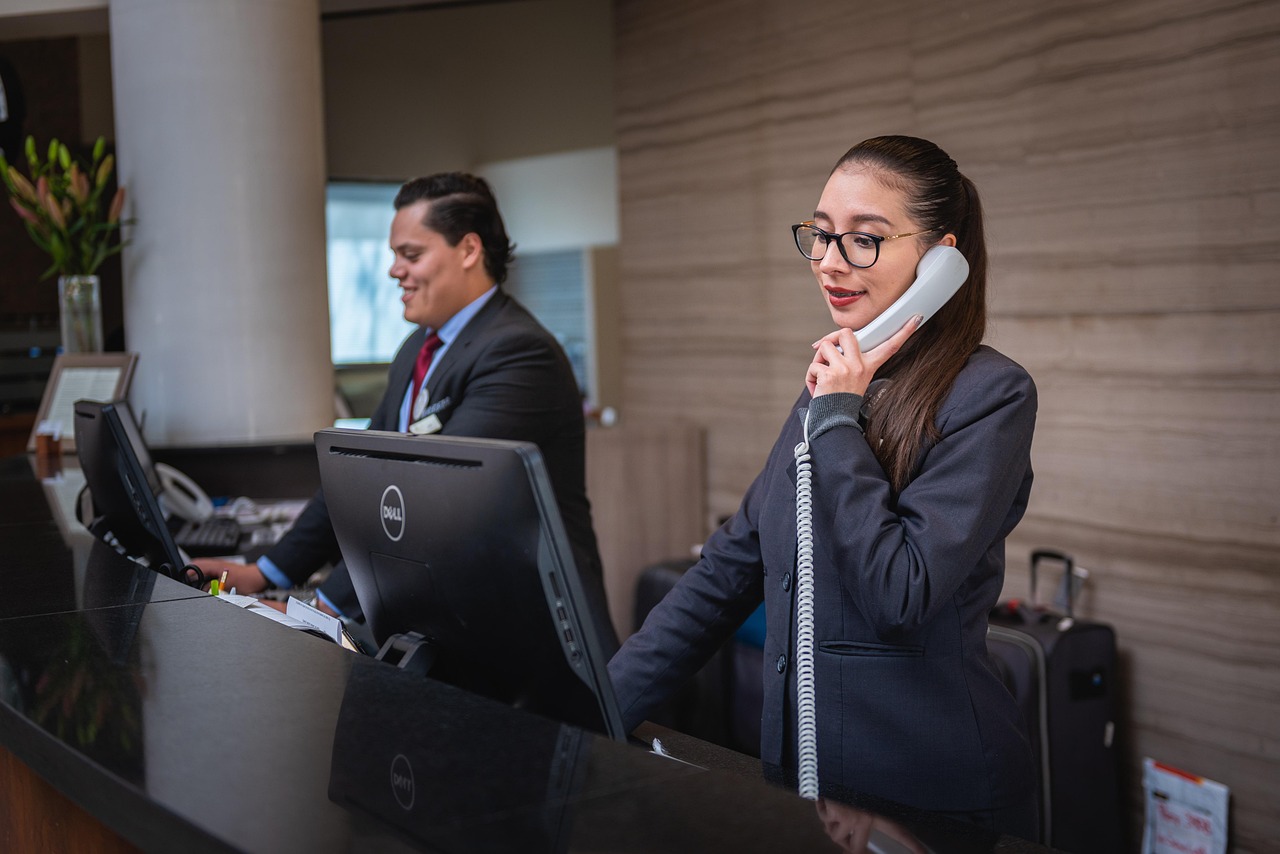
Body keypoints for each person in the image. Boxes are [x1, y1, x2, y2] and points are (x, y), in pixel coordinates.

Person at [607, 136, 1039, 837]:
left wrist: (838, 414)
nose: (831, 263)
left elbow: (902, 593)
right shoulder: (833, 385)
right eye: (821, 235)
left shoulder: (989, 395)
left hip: (924, 800)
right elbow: (727, 570)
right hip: (802, 787)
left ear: (941, 260)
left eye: (864, 241)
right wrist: (595, 708)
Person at [197, 173, 604, 631]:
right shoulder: (417, 347)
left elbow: (433, 503)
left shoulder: (520, 353)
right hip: (444, 617)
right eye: (394, 255)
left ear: (469, 250)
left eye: (411, 255)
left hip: (525, 635)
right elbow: (358, 476)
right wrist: (265, 573)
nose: (394, 270)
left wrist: (322, 608)